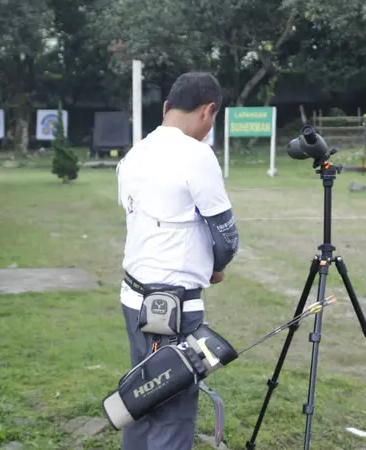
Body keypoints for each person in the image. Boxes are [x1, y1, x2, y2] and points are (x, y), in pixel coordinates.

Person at [115, 71, 239, 450]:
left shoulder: (135, 153)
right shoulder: (196, 154)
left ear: (167, 107)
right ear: (208, 111)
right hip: (170, 307)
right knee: (173, 405)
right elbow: (226, 234)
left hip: (134, 297)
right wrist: (217, 265)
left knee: (141, 394)